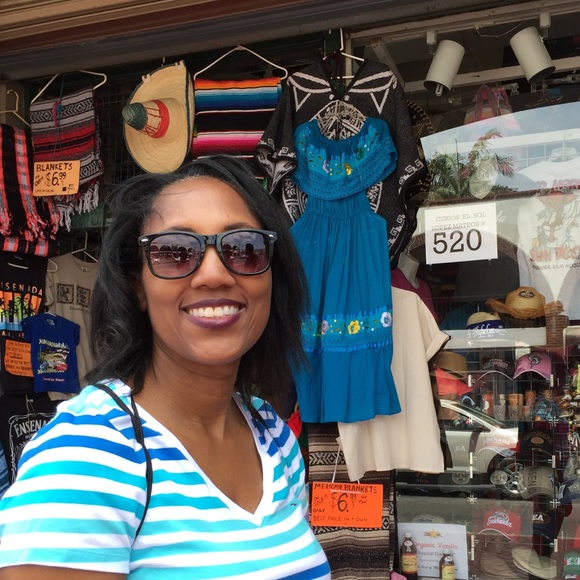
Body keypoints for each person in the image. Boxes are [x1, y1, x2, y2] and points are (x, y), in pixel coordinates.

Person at [0, 155, 331, 580]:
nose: (214, 274)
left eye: (244, 249)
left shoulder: (273, 436)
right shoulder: (87, 455)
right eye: (174, 252)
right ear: (137, 286)